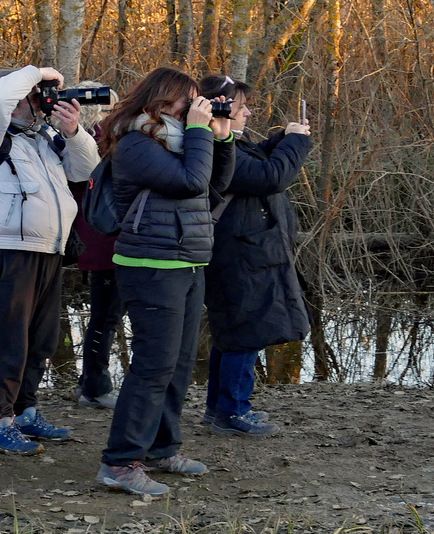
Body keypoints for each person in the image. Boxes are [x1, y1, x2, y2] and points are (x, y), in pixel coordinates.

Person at [93, 67, 235, 498]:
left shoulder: (181, 140)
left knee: (178, 364)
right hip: (150, 264)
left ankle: (161, 448)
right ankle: (119, 462)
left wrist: (221, 136)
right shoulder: (135, 143)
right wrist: (198, 132)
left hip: (188, 261)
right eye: (189, 99)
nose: (198, 106)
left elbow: (214, 187)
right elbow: (190, 180)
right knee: (153, 365)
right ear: (161, 101)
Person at [0, 65, 100, 455]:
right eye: (32, 95)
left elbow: (87, 170)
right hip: (9, 248)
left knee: (41, 339)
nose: (39, 102)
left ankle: (25, 410)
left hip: (49, 248)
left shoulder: (43, 138)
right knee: (9, 338)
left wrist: (74, 132)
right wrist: (36, 72)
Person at [199, 74, 312, 438]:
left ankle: (220, 408)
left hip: (244, 251)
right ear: (219, 107)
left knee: (234, 331)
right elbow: (269, 176)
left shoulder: (228, 142)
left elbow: (257, 156)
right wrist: (294, 144)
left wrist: (282, 138)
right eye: (241, 107)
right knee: (243, 330)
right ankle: (232, 411)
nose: (248, 113)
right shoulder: (217, 148)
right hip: (237, 254)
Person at [68, 83, 123, 409]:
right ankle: (95, 386)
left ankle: (88, 381)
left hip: (95, 239)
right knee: (106, 316)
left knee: (105, 315)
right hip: (105, 240)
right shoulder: (99, 140)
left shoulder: (83, 138)